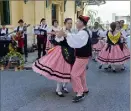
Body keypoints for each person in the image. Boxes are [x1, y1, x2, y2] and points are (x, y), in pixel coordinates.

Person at [32, 18, 75, 97]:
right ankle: (58, 89)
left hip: (70, 52)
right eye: (68, 23)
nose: (70, 25)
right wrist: (59, 36)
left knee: (69, 71)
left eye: (71, 23)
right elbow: (56, 40)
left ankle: (64, 86)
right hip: (62, 52)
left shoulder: (70, 31)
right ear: (65, 23)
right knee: (61, 70)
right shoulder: (62, 31)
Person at [56, 15, 92, 102]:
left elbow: (76, 40)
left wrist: (66, 34)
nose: (75, 23)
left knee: (74, 74)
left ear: (81, 23)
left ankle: (80, 93)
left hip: (81, 57)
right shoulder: (82, 31)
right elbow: (74, 39)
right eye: (71, 23)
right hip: (81, 56)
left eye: (77, 22)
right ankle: (85, 89)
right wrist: (65, 34)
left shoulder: (83, 32)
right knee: (81, 74)